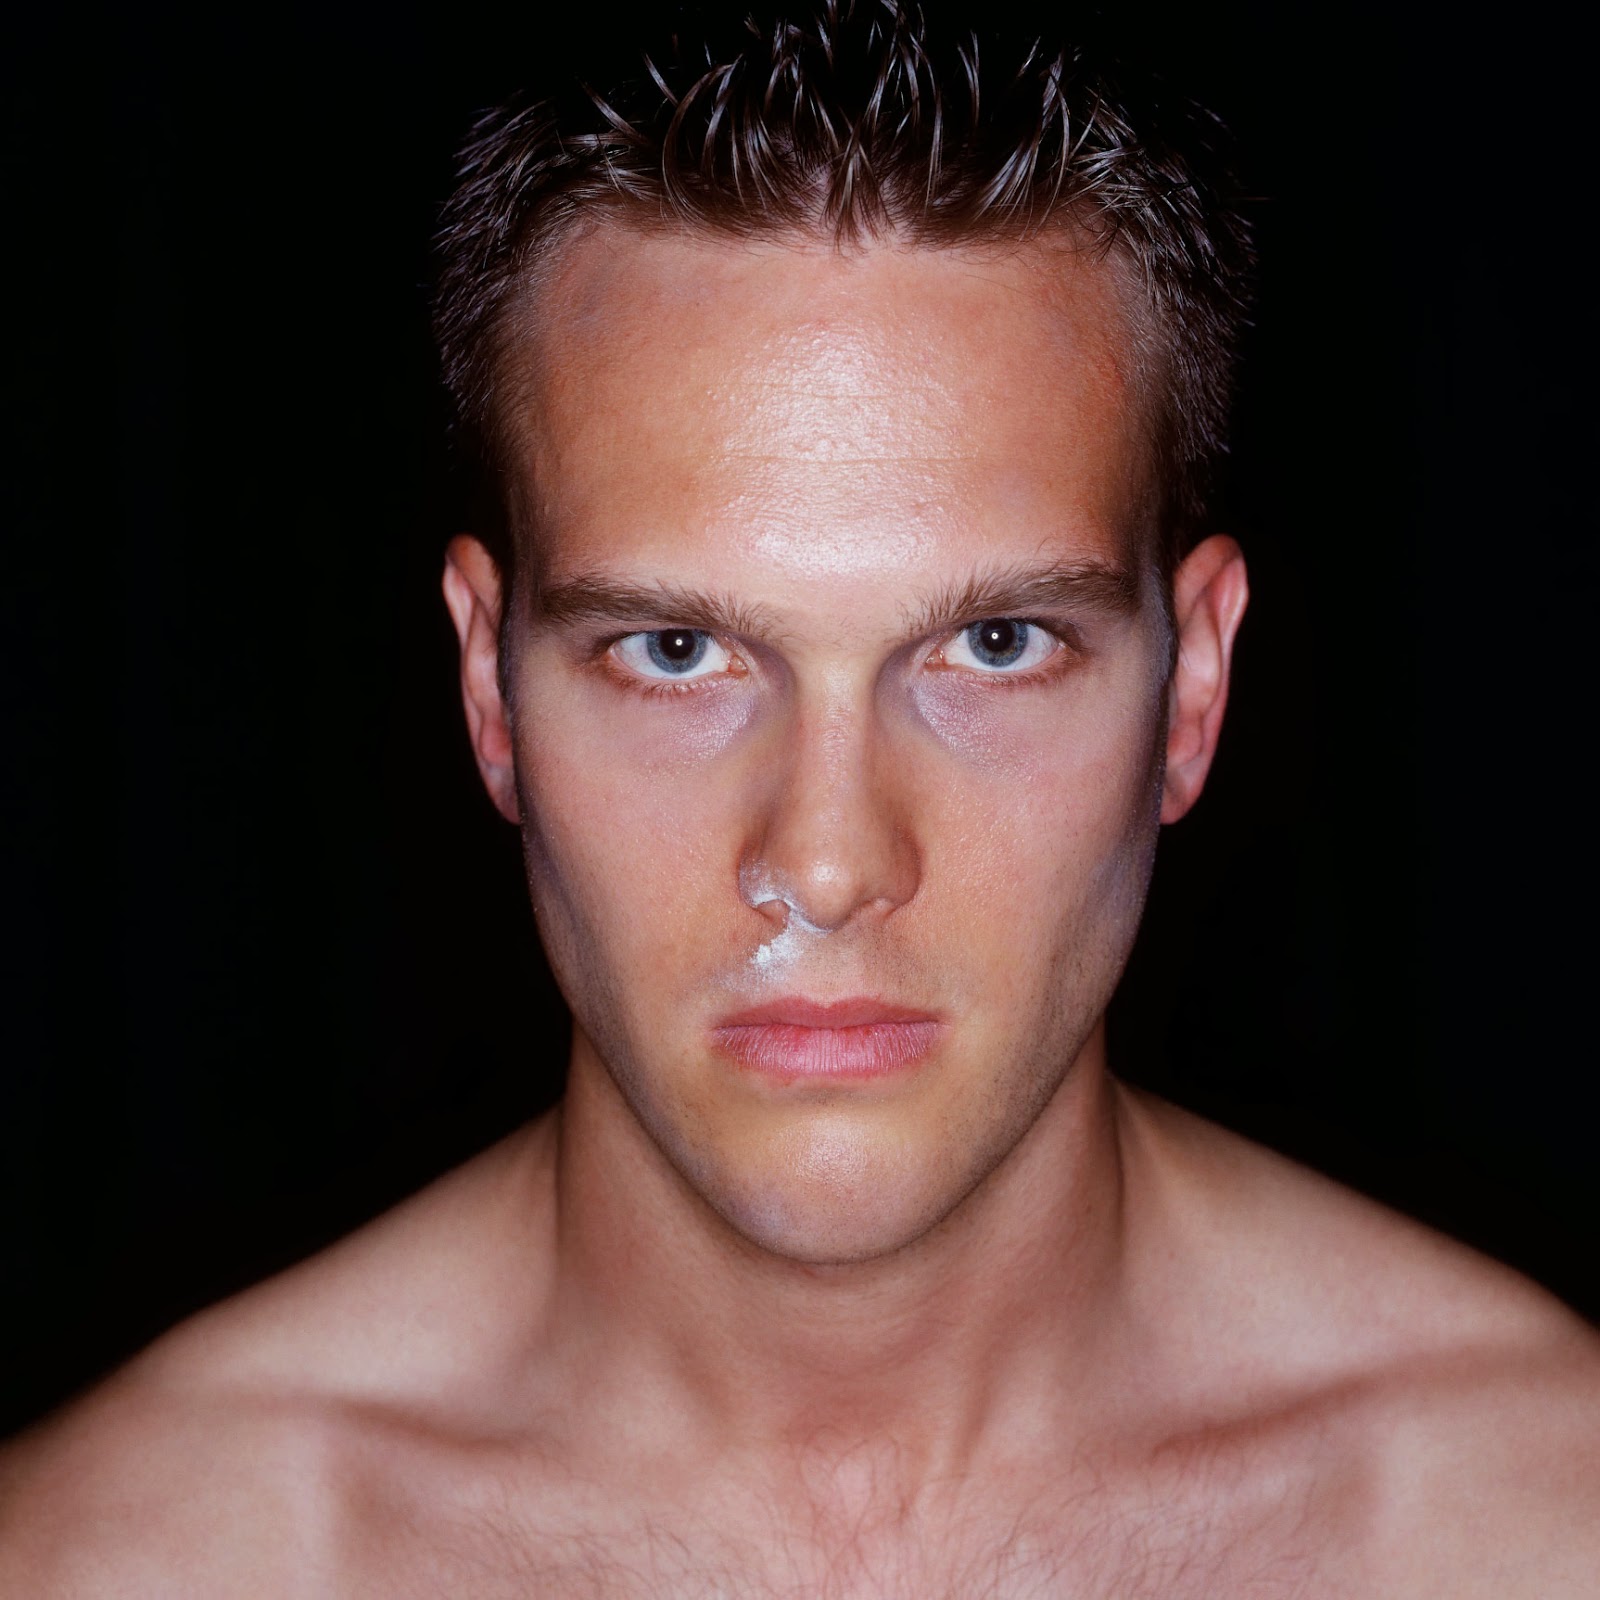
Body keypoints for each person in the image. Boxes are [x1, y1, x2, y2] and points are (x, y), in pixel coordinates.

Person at [4, 3, 1596, 1592]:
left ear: (1194, 693)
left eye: (994, 644)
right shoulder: (119, 1560)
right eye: (677, 651)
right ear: (489, 688)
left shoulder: (1537, 1525)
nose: (827, 864)